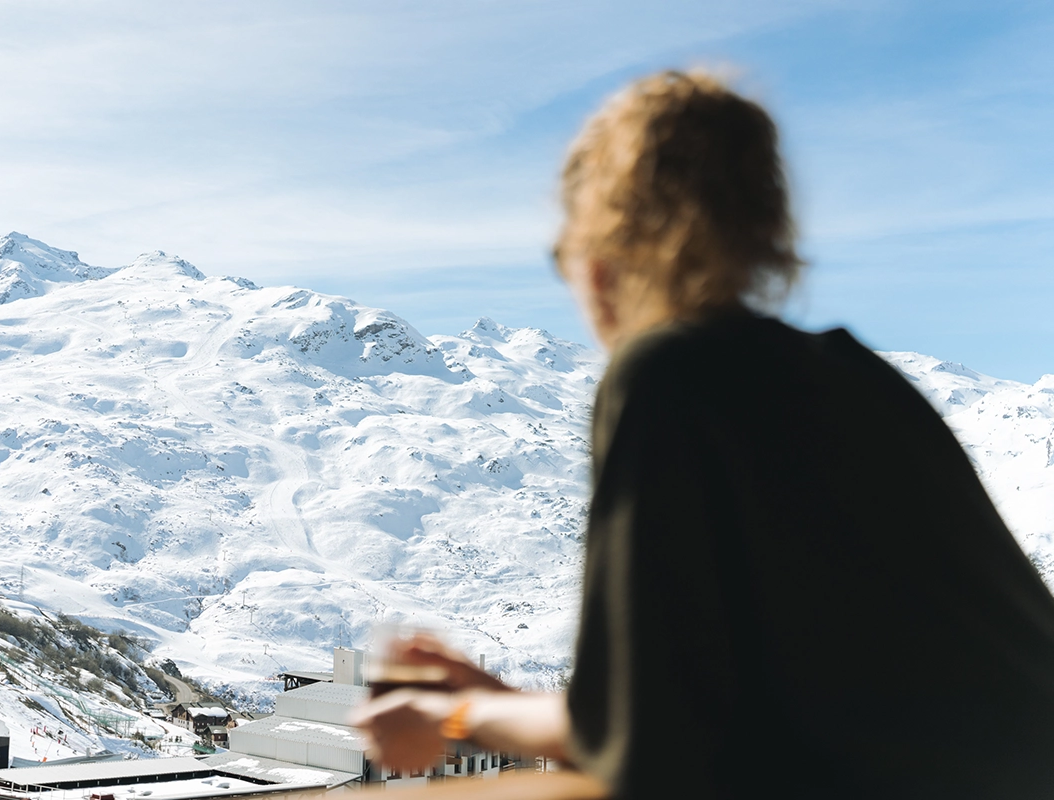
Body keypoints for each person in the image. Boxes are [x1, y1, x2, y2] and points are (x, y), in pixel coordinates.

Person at [349, 70, 1054, 799]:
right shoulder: (860, 379)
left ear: (601, 252)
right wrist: (492, 702)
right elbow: (677, 717)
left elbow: (653, 755)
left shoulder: (668, 376)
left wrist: (453, 714)